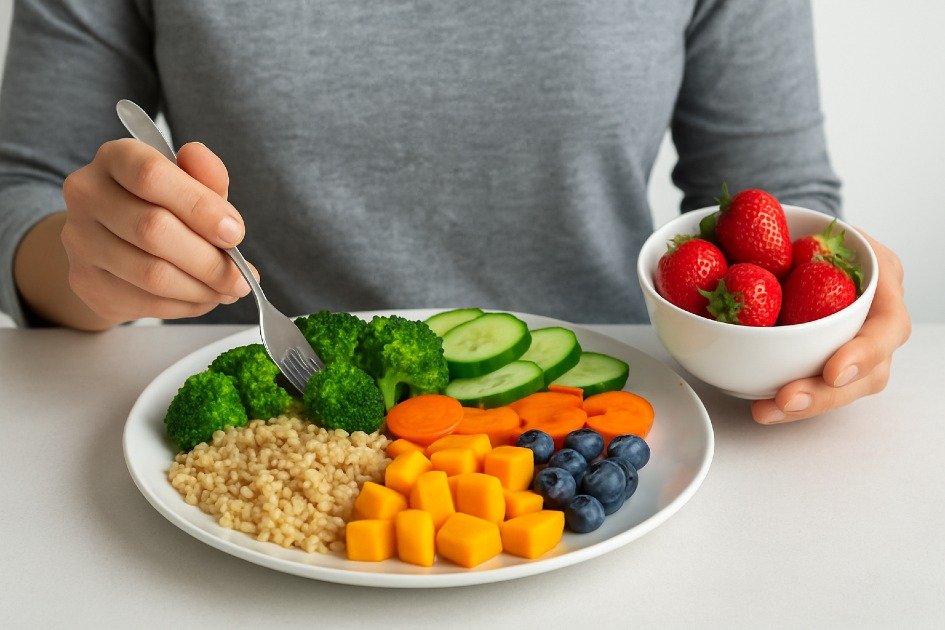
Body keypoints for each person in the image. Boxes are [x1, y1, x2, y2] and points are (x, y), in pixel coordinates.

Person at [0, 0, 909, 424]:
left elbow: (778, 204)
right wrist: (93, 267)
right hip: (280, 409)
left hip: (612, 416)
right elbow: (23, 191)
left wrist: (833, 295)